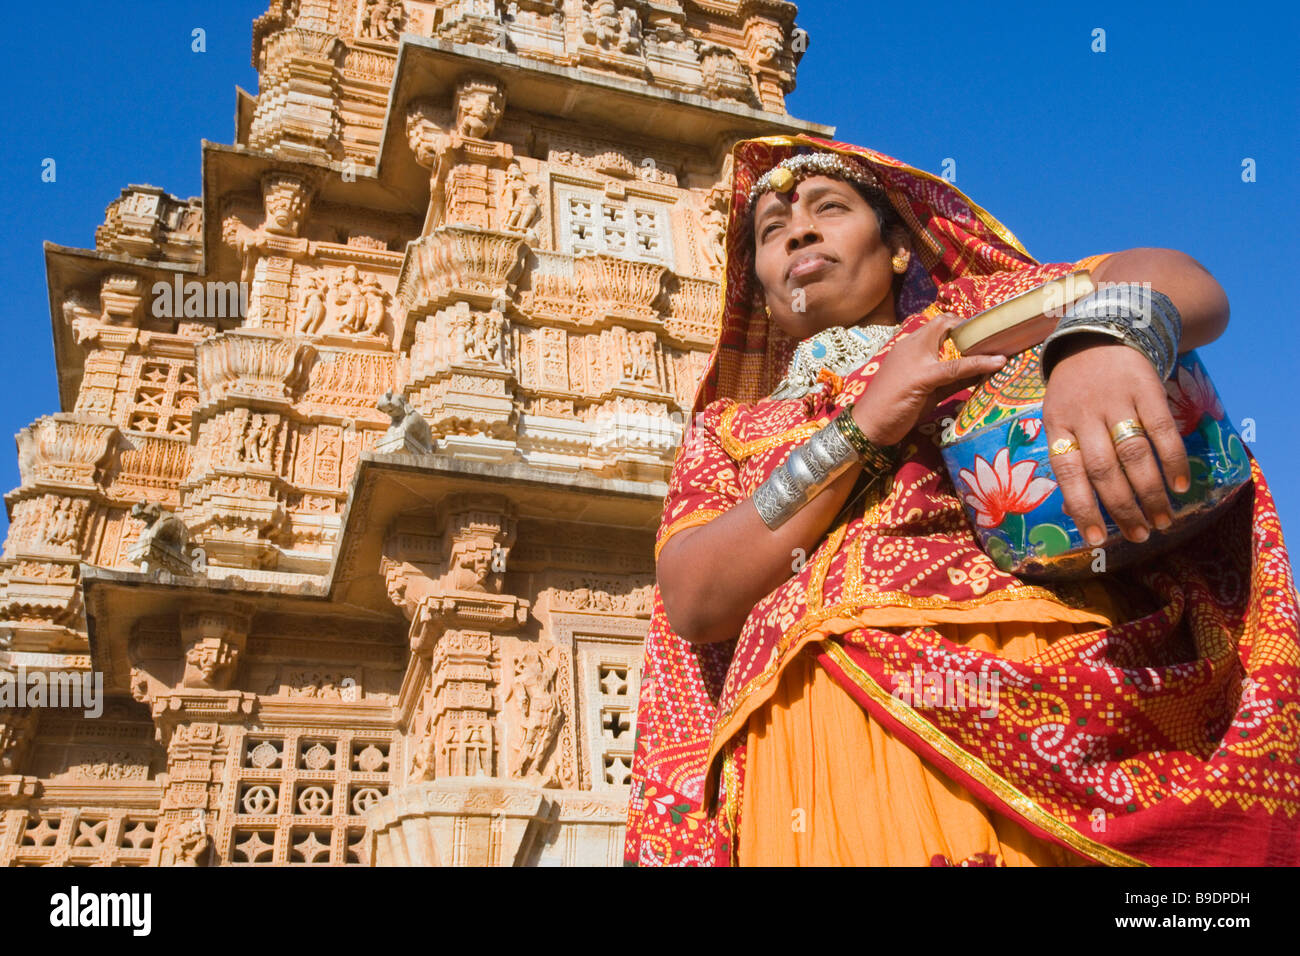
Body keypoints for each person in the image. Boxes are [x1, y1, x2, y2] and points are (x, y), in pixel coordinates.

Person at [622, 135, 1300, 867]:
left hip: (1029, 708)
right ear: (756, 280)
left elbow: (1175, 276)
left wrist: (1103, 339)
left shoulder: (970, 322)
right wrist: (863, 428)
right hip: (804, 752)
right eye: (772, 231)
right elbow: (694, 596)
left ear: (900, 251)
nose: (801, 232)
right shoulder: (729, 431)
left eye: (831, 209)